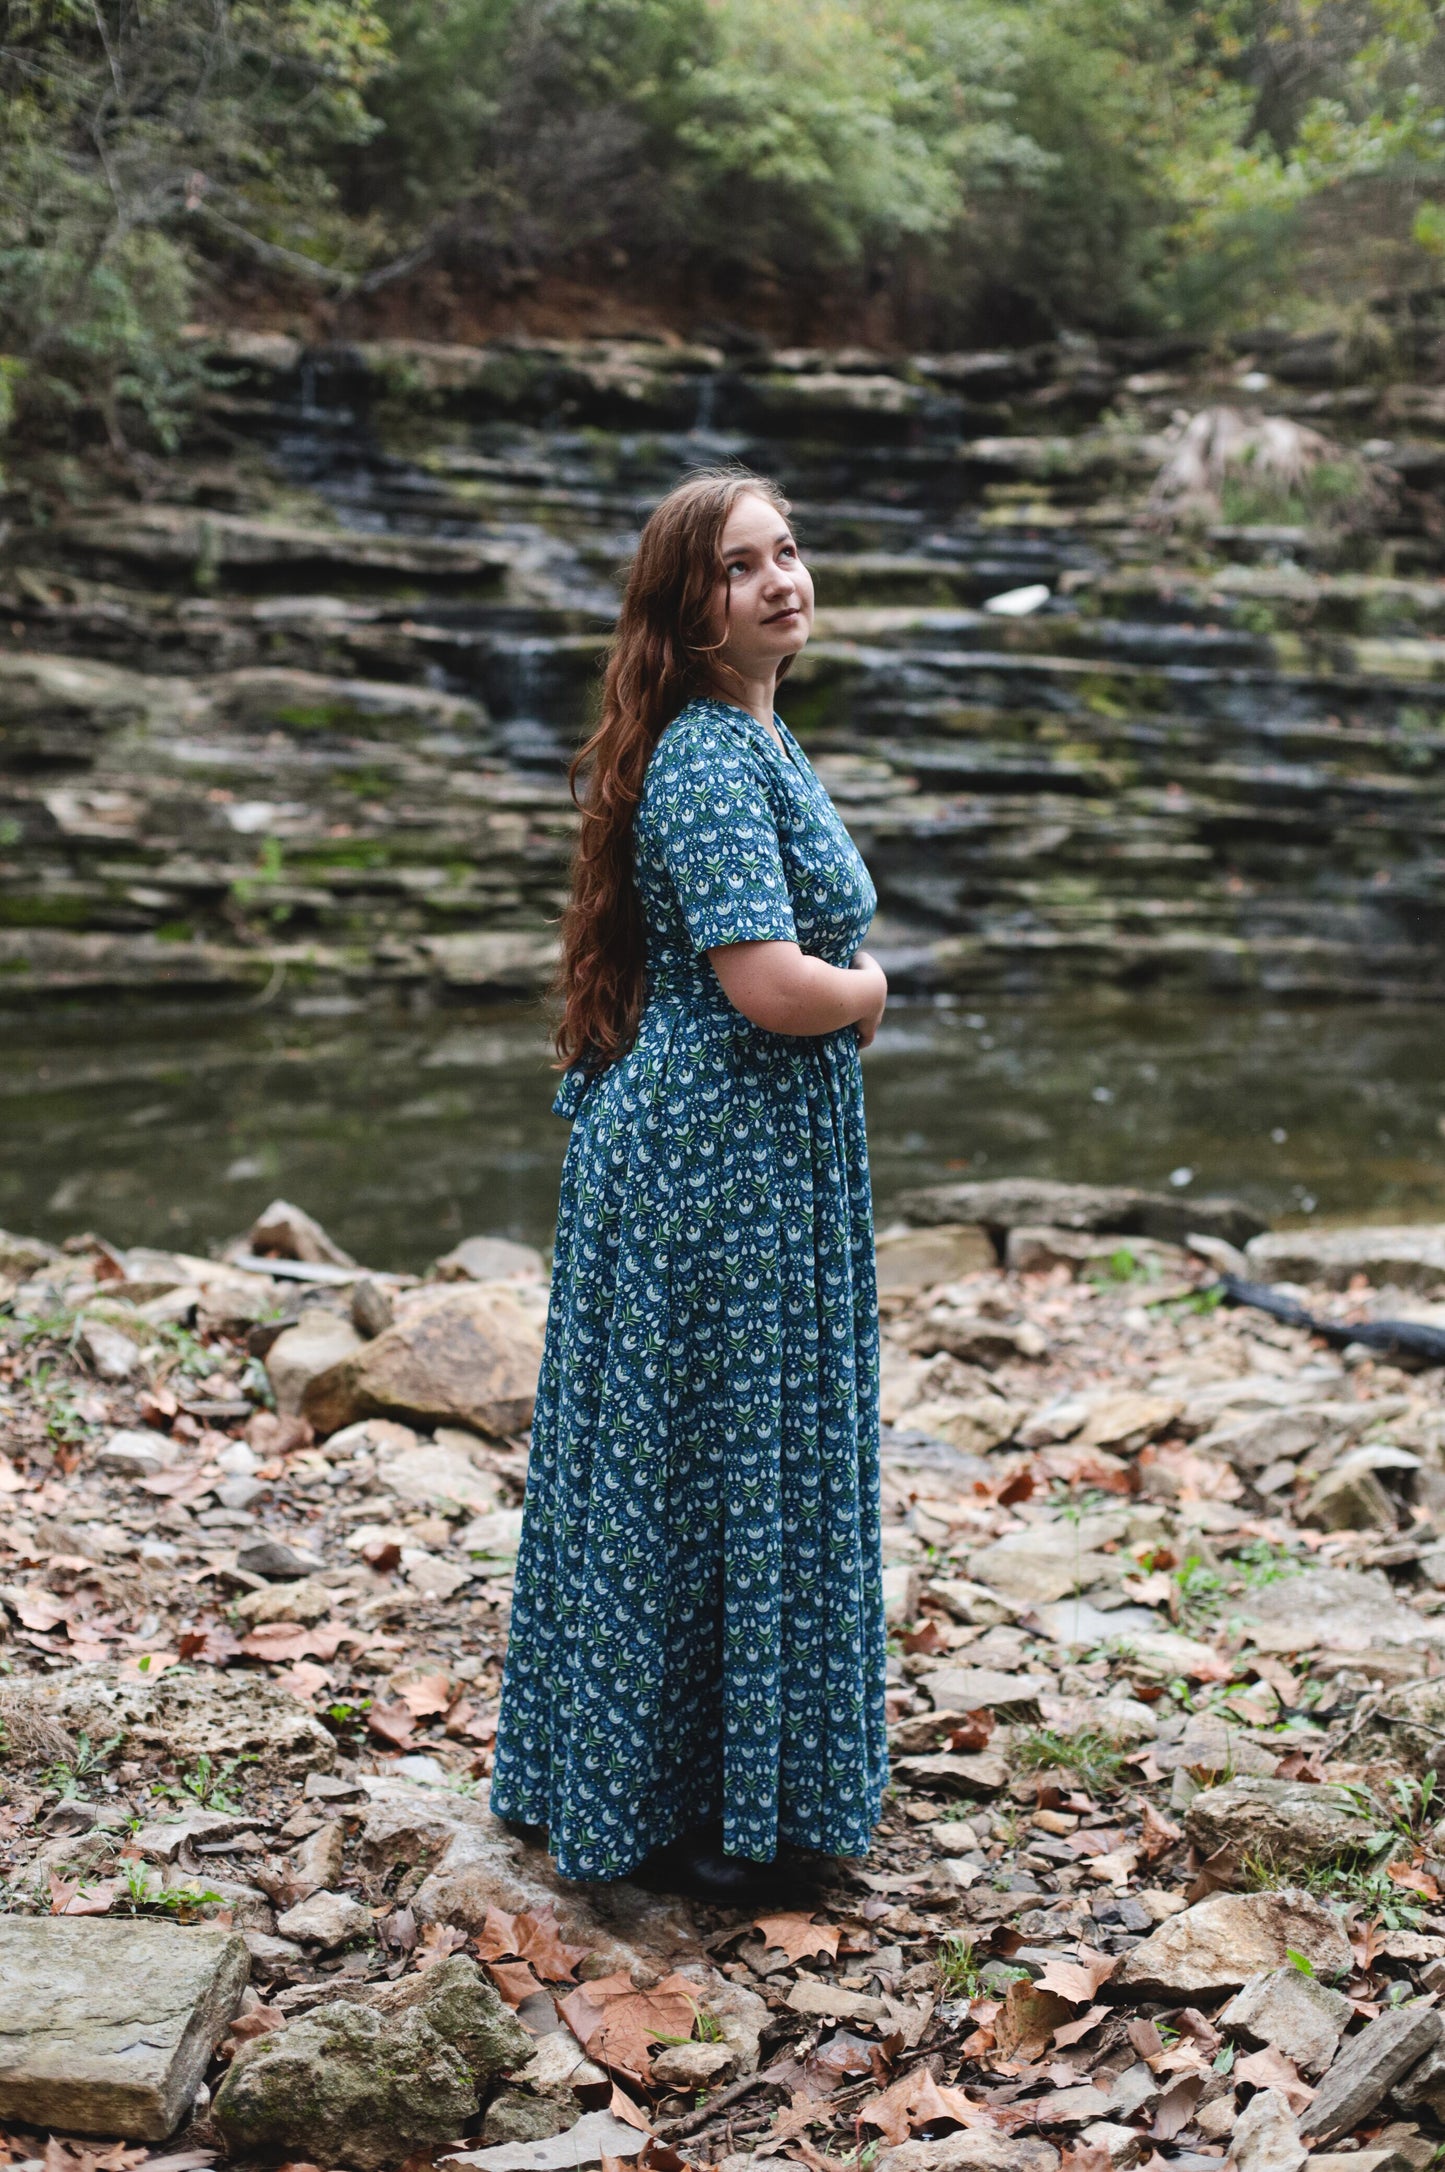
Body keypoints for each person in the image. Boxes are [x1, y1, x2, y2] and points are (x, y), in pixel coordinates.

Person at [490, 467, 889, 1899]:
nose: (781, 579)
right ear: (686, 606)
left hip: (733, 1152)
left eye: (788, 549)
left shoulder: (747, 733)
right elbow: (766, 985)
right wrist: (869, 990)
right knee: (714, 1468)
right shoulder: (713, 761)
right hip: (709, 1166)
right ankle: (699, 1819)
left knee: (710, 1463)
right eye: (739, 566)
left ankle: (706, 1792)